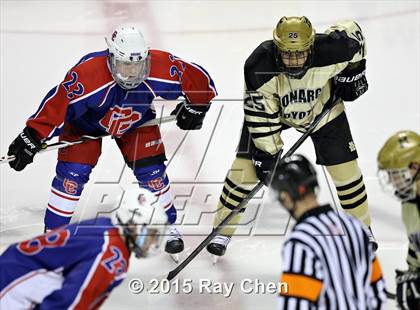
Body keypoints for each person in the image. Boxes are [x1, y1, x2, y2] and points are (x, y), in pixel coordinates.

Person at [7, 25, 217, 256]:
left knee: (153, 172)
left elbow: (197, 80)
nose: (132, 72)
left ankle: (166, 224)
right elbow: (58, 104)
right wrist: (32, 136)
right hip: (84, 126)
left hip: (134, 121)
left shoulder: (160, 66)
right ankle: (54, 235)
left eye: (138, 64)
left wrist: (197, 106)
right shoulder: (88, 76)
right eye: (126, 64)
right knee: (72, 176)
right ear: (112, 57)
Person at [207, 16, 375, 257]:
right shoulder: (258, 65)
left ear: (311, 47)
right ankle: (222, 229)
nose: (294, 61)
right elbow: (260, 115)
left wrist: (354, 71)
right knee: (243, 170)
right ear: (277, 50)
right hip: (275, 115)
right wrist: (268, 156)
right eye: (287, 54)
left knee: (346, 172)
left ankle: (361, 229)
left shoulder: (334, 50)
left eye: (300, 54)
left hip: (322, 111)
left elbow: (354, 35)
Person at [0, 188, 167, 309]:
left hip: (14, 271)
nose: (152, 242)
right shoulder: (112, 252)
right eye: (149, 234)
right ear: (129, 223)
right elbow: (72, 302)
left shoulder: (104, 227)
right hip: (13, 288)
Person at [270, 154, 387, 309]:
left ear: (286, 196)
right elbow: (378, 291)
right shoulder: (354, 225)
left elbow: (295, 305)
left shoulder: (300, 242)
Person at [378, 130, 420, 309]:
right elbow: (415, 248)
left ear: (415, 167)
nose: (393, 182)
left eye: (396, 174)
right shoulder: (409, 206)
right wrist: (414, 275)